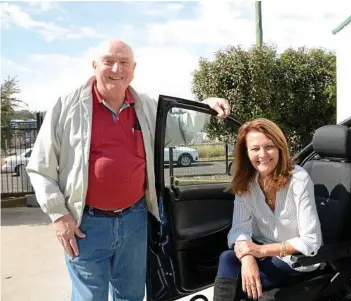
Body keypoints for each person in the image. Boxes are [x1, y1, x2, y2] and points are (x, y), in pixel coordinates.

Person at [26, 39, 231, 301]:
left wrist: (206, 104)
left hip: (134, 220)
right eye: (109, 61)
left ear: (133, 69)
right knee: (89, 297)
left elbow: (178, 128)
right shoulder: (67, 107)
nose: (116, 69)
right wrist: (58, 215)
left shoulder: (146, 106)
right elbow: (40, 167)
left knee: (131, 296)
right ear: (94, 66)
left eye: (124, 63)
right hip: (85, 224)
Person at [213, 118, 323, 301]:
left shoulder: (299, 180)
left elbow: (310, 241)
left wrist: (260, 251)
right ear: (246, 152)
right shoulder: (246, 182)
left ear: (280, 147)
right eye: (255, 149)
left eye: (269, 147)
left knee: (241, 285)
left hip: (295, 260)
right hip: (260, 252)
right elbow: (238, 230)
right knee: (227, 258)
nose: (262, 155)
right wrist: (247, 256)